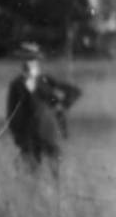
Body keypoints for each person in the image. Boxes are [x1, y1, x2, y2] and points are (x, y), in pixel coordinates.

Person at [5, 42, 82, 179]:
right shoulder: (16, 85)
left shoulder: (45, 80)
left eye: (32, 59)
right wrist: (18, 137)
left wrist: (61, 105)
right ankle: (36, 197)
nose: (28, 63)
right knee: (32, 173)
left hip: (49, 132)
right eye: (26, 59)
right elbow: (11, 114)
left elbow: (74, 92)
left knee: (56, 171)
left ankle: (58, 196)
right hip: (28, 135)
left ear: (37, 61)